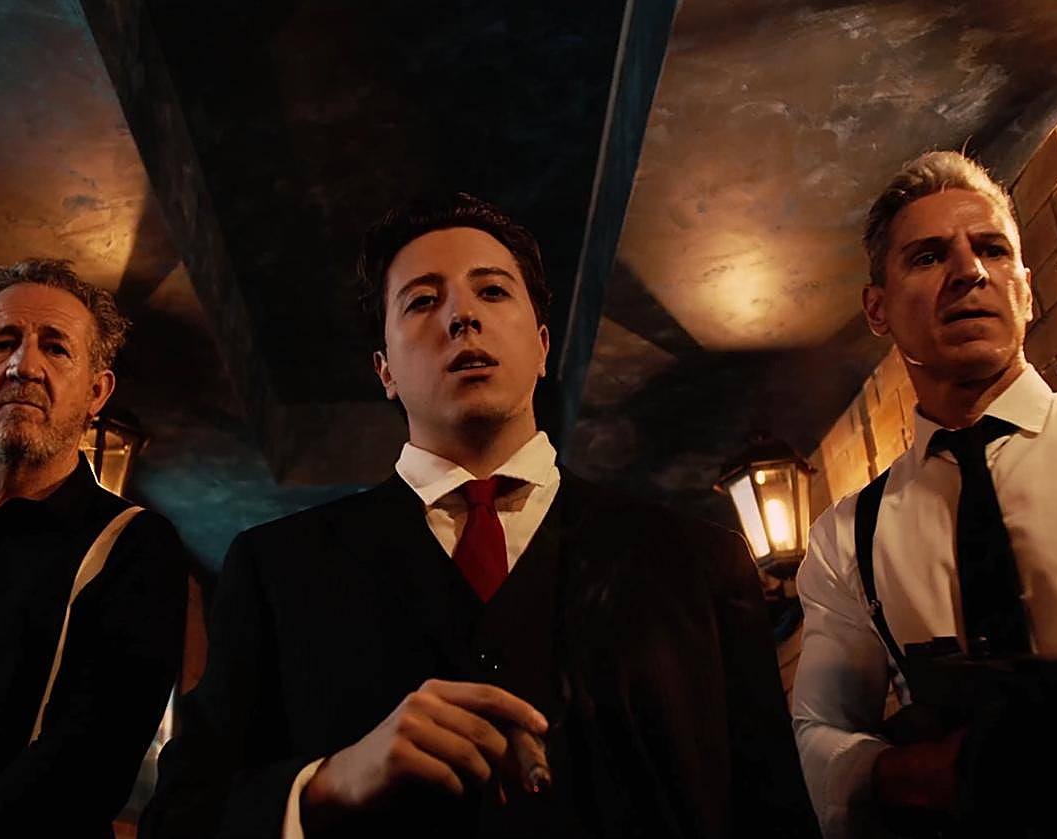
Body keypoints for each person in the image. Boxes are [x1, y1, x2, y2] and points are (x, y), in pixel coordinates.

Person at [141, 193, 819, 839]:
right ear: (384, 370)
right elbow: (178, 819)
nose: (462, 316)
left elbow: (775, 816)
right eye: (422, 300)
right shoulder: (277, 572)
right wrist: (327, 784)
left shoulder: (699, 564)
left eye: (492, 291)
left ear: (544, 345)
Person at [792, 151, 1057, 838]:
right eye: (927, 257)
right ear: (877, 309)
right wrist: (916, 775)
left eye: (992, 250)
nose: (969, 272)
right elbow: (820, 728)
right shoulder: (848, 536)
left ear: (1025, 287)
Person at [0, 259, 188, 838]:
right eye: (2, 344)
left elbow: (92, 763)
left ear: (97, 392)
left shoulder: (135, 549)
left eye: (56, 348)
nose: (24, 366)